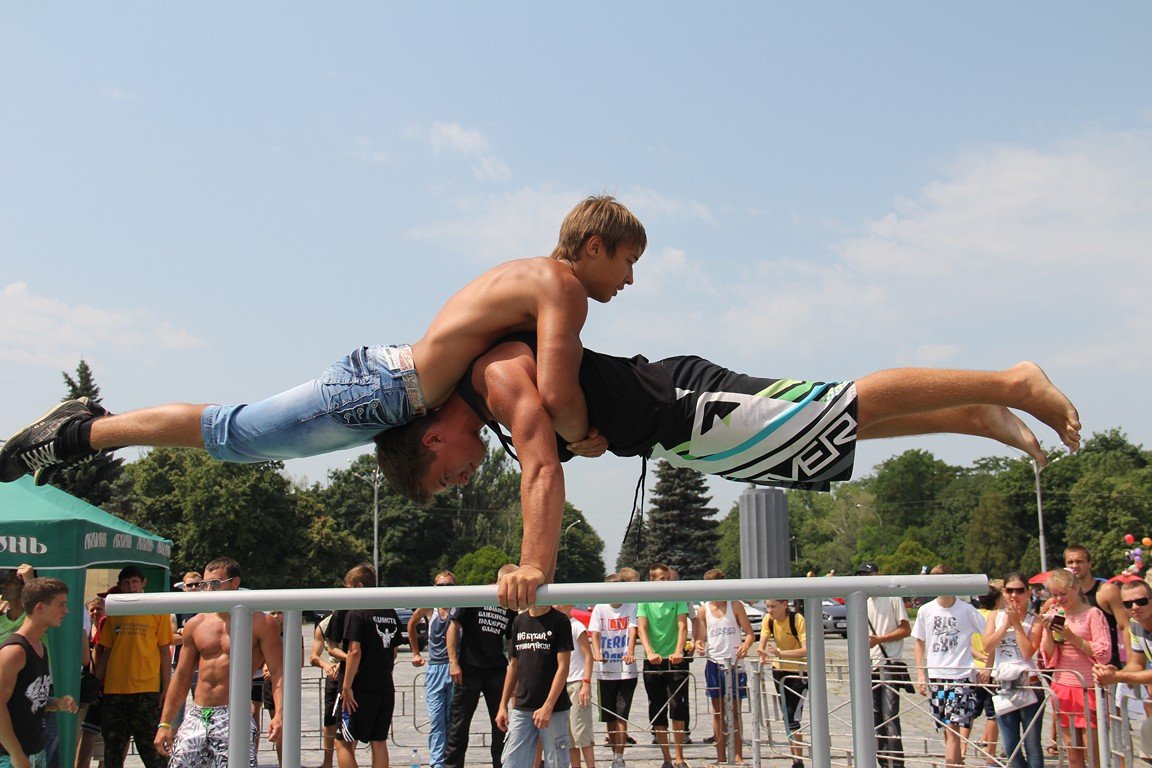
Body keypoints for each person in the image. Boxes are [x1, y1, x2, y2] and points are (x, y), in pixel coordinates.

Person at [375, 336, 1082, 608]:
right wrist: (585, 440)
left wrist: (532, 565)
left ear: (433, 438)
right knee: (830, 425)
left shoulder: (493, 380)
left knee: (837, 400)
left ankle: (1010, 381)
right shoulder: (494, 405)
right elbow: (563, 436)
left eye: (446, 478)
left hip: (686, 405)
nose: (461, 482)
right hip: (681, 439)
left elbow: (541, 474)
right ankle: (968, 414)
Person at [153, 557, 283, 768]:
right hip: (197, 713)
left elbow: (278, 672)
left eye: (214, 584)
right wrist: (165, 723)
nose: (208, 590)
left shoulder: (260, 622)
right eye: (205, 585)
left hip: (233, 711)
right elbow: (182, 675)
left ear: (235, 583)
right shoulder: (196, 624)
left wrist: (280, 715)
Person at [94, 566, 172, 768]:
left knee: (153, 753)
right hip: (114, 690)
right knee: (113, 751)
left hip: (146, 689)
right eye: (126, 583)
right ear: (120, 586)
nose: (131, 587)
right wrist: (95, 683)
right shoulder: (114, 610)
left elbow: (164, 650)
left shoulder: (157, 608)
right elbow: (107, 650)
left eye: (134, 582)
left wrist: (167, 687)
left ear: (143, 582)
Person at [912, 564, 987, 768]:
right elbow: (919, 641)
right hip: (936, 675)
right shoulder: (926, 610)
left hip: (960, 676)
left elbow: (989, 635)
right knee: (945, 727)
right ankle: (957, 763)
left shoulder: (966, 609)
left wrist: (988, 664)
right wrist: (920, 674)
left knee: (953, 726)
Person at [444, 565, 517, 768]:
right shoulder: (477, 596)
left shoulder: (510, 607)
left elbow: (512, 642)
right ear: (503, 581)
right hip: (469, 669)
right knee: (459, 727)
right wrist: (453, 662)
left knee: (501, 727)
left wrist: (514, 673)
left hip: (496, 671)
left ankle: (501, 765)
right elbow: (453, 628)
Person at [0, 577, 78, 768]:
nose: (65, 611)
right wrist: (16, 755)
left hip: (35, 752)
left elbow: (28, 701)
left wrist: (56, 703)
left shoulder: (40, 648)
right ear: (40, 607)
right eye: (61, 605)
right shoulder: (15, 651)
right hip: (10, 757)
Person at [1039, 568, 1109, 768]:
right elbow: (1048, 657)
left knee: (1093, 752)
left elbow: (1103, 652)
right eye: (1054, 595)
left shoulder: (1092, 614)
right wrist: (1047, 631)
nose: (1059, 599)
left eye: (1063, 593)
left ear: (1076, 588)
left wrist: (1072, 637)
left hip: (1088, 686)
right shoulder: (1055, 614)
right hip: (1063, 684)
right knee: (1073, 753)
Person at [334, 564, 401, 768]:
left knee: (342, 742)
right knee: (378, 741)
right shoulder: (388, 611)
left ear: (360, 587)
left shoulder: (356, 613)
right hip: (384, 687)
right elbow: (394, 651)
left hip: (358, 688)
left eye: (348, 588)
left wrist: (346, 686)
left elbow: (354, 650)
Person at [494, 601, 573, 768]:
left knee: (556, 763)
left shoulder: (560, 621)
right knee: (512, 761)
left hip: (554, 709)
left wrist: (548, 706)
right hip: (523, 705)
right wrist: (503, 705)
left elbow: (563, 668)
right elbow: (513, 665)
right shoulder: (518, 621)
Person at [982, 572, 1044, 768]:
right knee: (1010, 747)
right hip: (1004, 685)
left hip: (1029, 684)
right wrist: (1005, 626)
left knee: (1032, 743)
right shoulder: (994, 616)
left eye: (1019, 591)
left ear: (1027, 593)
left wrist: (1017, 624)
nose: (1014, 595)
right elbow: (987, 646)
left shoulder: (1035, 620)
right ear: (1004, 592)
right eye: (1010, 590)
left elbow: (1028, 652)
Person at [694, 569, 754, 767]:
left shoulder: (734, 605)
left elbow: (749, 633)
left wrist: (745, 645)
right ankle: (720, 755)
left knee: (735, 712)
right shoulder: (703, 610)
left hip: (734, 663)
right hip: (714, 663)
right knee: (718, 713)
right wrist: (698, 645)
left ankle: (737, 754)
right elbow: (700, 637)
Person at [636, 564, 690, 768]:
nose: (666, 582)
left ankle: (679, 756)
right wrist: (649, 652)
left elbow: (682, 625)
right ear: (652, 580)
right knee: (657, 708)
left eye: (668, 578)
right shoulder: (644, 600)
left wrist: (679, 651)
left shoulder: (677, 597)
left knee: (678, 706)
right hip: (654, 660)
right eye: (662, 579)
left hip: (675, 659)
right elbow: (642, 627)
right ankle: (666, 757)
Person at [859, 562, 911, 768]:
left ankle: (897, 763)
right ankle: (881, 761)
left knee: (890, 715)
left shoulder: (891, 596)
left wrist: (880, 639)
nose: (865, 578)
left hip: (889, 662)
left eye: (868, 574)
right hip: (870, 663)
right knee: (874, 716)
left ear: (877, 574)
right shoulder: (863, 600)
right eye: (861, 575)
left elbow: (905, 629)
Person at [588, 574, 639, 768]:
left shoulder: (631, 606)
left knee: (621, 715)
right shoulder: (600, 608)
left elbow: (633, 630)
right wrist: (597, 652)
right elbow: (595, 633)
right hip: (606, 670)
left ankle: (619, 756)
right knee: (609, 716)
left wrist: (631, 652)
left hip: (626, 671)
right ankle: (614, 753)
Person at [408, 571, 457, 768]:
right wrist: (415, 653)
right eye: (441, 586)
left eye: (449, 586)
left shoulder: (459, 606)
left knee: (452, 720)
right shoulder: (430, 607)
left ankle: (450, 760)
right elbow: (411, 625)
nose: (445, 590)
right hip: (435, 667)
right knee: (436, 719)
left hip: (454, 668)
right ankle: (437, 762)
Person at [758, 598, 808, 768]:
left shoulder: (797, 620)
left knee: (794, 715)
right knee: (787, 715)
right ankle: (795, 758)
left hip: (798, 672)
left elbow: (807, 649)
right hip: (779, 671)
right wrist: (762, 650)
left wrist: (781, 653)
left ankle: (799, 759)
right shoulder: (768, 619)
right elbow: (764, 637)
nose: (769, 610)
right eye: (767, 606)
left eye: (773, 606)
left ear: (784, 605)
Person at [1064, 546, 1127, 668]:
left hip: (1107, 666)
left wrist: (1131, 663)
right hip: (1076, 667)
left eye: (1079, 561)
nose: (1074, 565)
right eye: (1070, 562)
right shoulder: (1063, 597)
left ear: (1089, 564)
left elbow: (1124, 626)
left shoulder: (1106, 590)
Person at [76, 595, 108, 768]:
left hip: (102, 687)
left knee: (102, 737)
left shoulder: (105, 627)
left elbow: (99, 658)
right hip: (89, 688)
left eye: (99, 609)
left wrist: (96, 686)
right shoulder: (87, 629)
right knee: (85, 732)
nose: (95, 612)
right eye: (92, 609)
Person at [308, 612, 341, 768]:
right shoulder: (324, 625)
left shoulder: (356, 618)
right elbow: (313, 657)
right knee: (330, 719)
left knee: (350, 720)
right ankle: (328, 761)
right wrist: (326, 665)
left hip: (355, 672)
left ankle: (347, 759)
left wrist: (346, 664)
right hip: (334, 676)